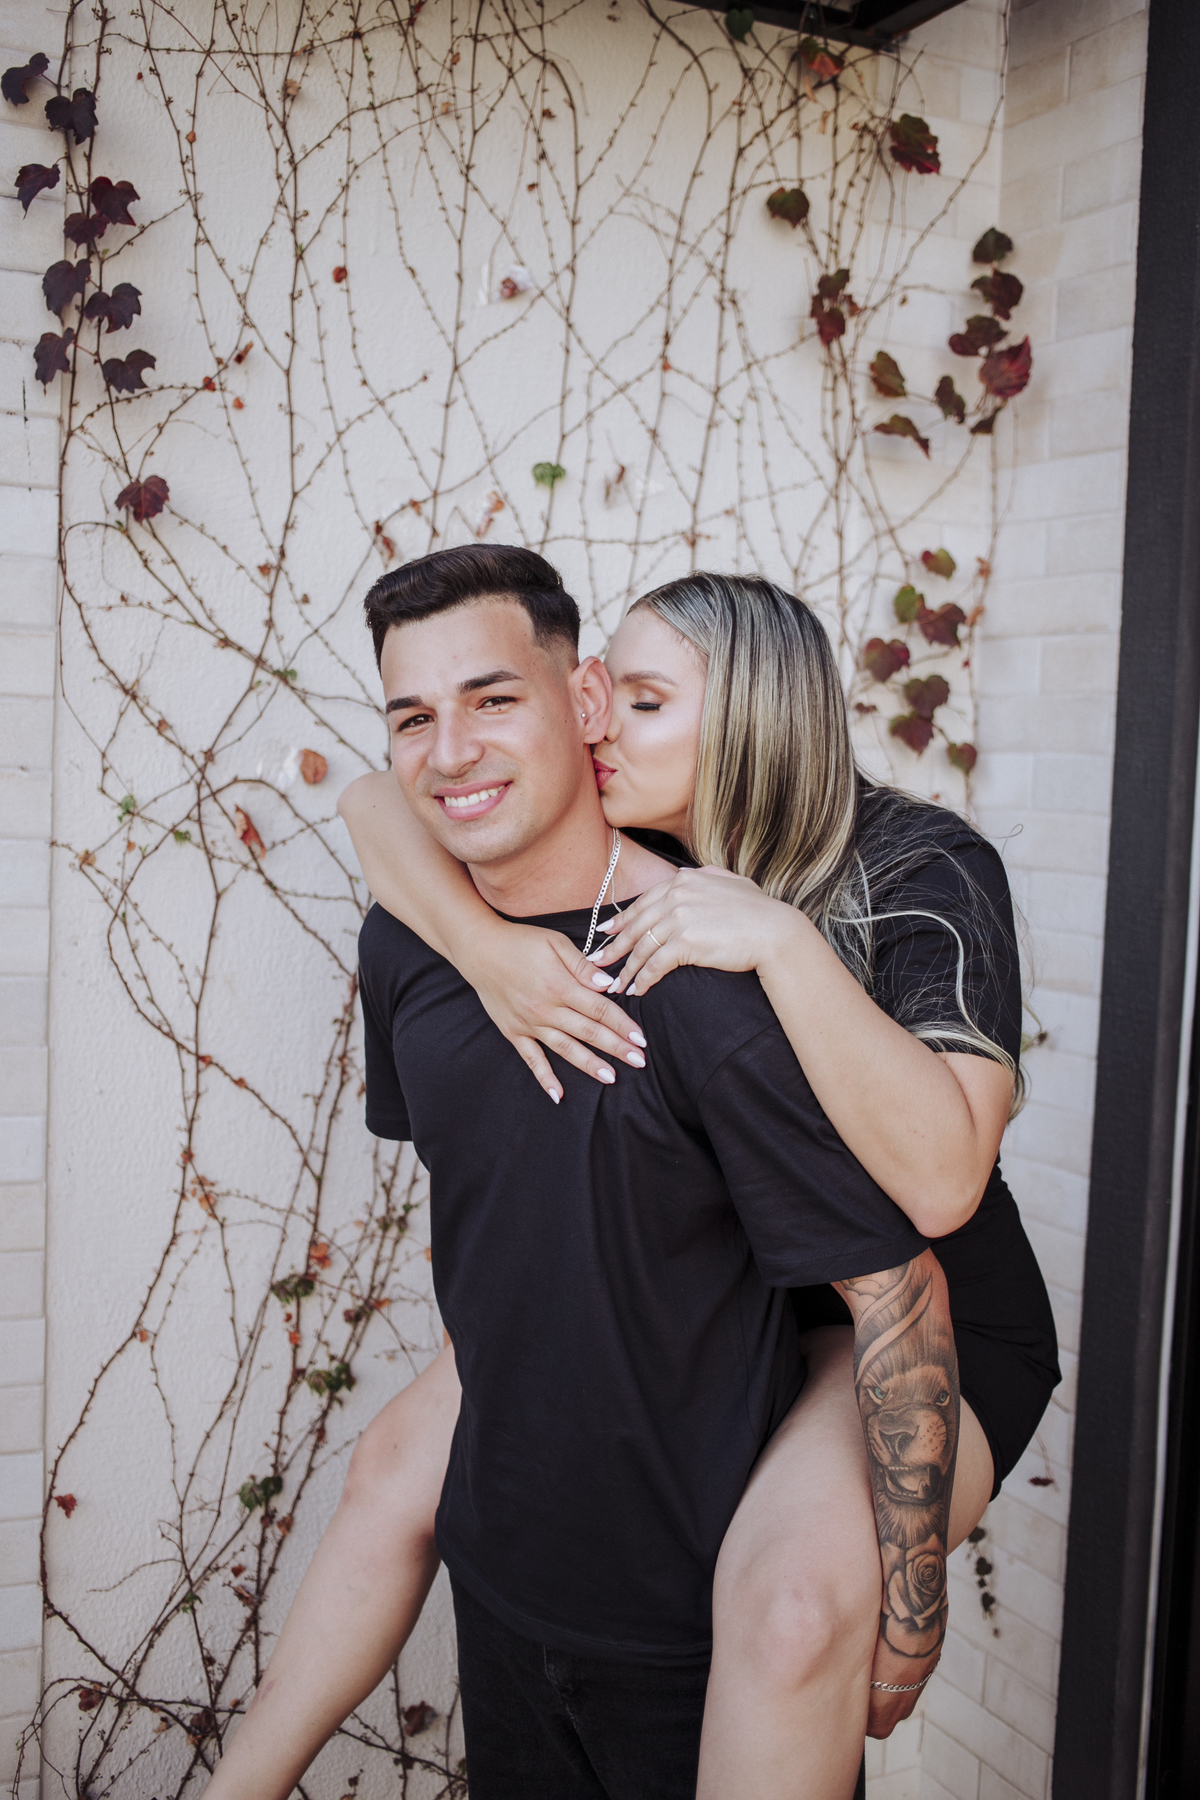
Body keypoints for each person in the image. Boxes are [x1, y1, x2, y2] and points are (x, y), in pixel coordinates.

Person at [203, 553, 1058, 1800]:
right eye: (601, 692)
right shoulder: (636, 835)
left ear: (754, 718)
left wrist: (777, 939)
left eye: (642, 703)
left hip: (917, 1302)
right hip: (743, 1279)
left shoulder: (916, 868)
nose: (596, 723)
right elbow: (382, 810)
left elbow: (937, 1193)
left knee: (790, 1606)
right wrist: (490, 953)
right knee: (393, 1467)